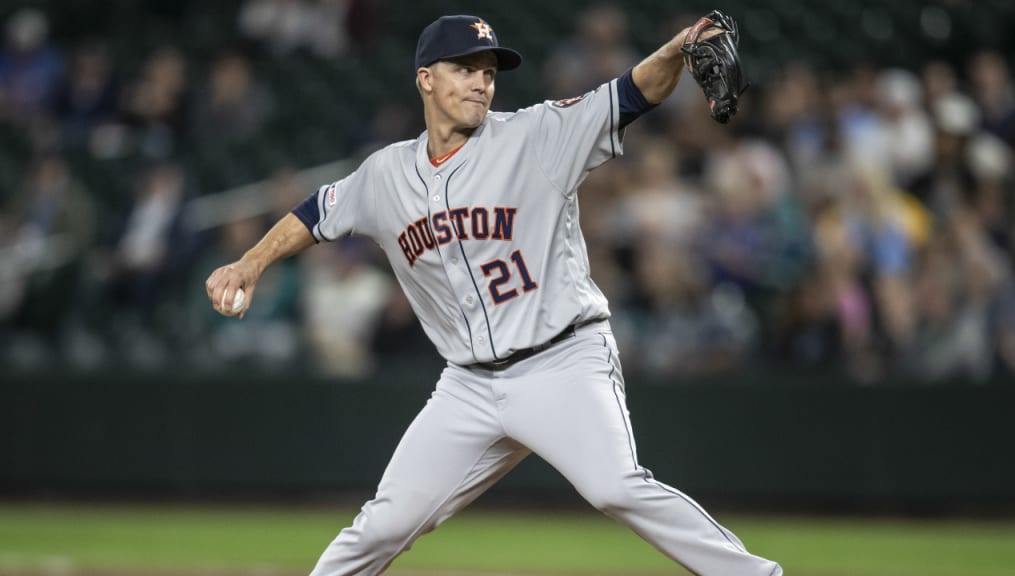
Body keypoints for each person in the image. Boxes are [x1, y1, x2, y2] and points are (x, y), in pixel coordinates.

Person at [205, 14, 782, 576]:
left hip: (563, 360)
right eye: (464, 68)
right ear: (425, 78)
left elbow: (630, 94)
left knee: (615, 486)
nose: (481, 81)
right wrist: (251, 263)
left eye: (488, 70)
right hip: (468, 386)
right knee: (382, 526)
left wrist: (680, 47)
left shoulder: (536, 135)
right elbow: (316, 213)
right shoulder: (384, 175)